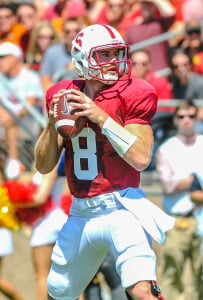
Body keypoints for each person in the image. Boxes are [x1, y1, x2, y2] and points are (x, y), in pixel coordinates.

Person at [34, 24, 175, 300]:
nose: (114, 61)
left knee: (142, 290)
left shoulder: (133, 92)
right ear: (82, 59)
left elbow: (141, 158)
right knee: (57, 292)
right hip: (80, 213)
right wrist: (52, 123)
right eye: (105, 54)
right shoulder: (63, 94)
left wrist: (100, 116)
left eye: (117, 53)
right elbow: (42, 166)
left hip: (122, 206)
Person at [156, 100, 203, 300]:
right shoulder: (166, 149)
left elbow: (175, 183)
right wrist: (194, 182)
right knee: (171, 273)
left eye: (191, 116)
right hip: (178, 220)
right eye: (182, 117)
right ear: (175, 120)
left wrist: (185, 183)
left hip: (201, 217)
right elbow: (168, 186)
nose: (186, 121)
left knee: (200, 275)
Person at [0, 42, 44, 178]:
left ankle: (13, 161)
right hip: (5, 122)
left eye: (3, 57)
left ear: (15, 58)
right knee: (9, 121)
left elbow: (28, 107)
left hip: (28, 123)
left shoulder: (30, 77)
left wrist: (10, 116)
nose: (0, 61)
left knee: (11, 122)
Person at [124, 0, 175, 72]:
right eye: (144, 4)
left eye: (149, 5)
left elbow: (170, 13)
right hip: (139, 75)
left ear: (154, 7)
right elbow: (124, 54)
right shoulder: (131, 29)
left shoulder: (159, 24)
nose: (146, 7)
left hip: (159, 74)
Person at [39, 17, 81, 93]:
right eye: (68, 31)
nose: (72, 35)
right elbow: (45, 80)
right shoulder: (52, 52)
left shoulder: (87, 52)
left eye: (76, 31)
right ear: (62, 33)